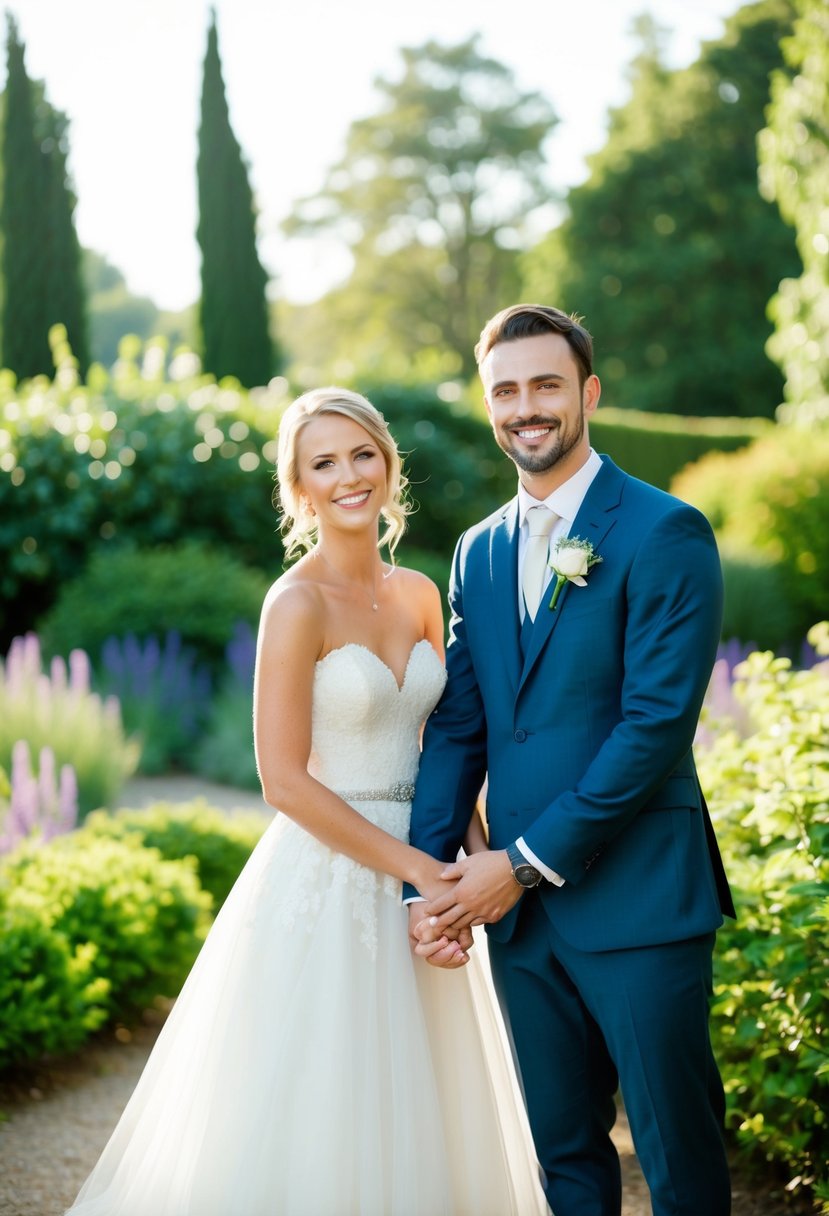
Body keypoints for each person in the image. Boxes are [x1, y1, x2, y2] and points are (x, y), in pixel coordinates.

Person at [64, 386, 548, 1216]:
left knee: (428, 1096)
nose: (348, 475)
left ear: (388, 467)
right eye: (323, 462)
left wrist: (465, 865)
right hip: (331, 877)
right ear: (298, 488)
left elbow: (447, 749)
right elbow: (283, 780)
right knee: (325, 1097)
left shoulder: (421, 593)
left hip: (430, 876)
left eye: (362, 454)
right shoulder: (293, 604)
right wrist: (413, 872)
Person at [406, 304, 736, 1216]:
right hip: (520, 927)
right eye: (505, 390)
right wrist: (430, 886)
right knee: (563, 1163)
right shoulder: (475, 552)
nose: (526, 407)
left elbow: (654, 726)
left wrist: (518, 864)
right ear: (488, 405)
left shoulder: (665, 531)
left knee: (677, 1161)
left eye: (545, 384)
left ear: (587, 392)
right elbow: (461, 728)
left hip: (637, 903)